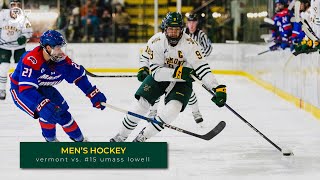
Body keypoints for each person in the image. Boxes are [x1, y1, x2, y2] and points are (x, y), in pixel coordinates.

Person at [110, 12, 227, 142]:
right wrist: (176, 72)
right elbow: (156, 72)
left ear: (181, 30)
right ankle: (120, 137)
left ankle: (143, 137)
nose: (173, 33)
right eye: (170, 29)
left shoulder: (191, 44)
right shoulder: (157, 41)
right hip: (162, 78)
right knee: (140, 105)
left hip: (182, 82)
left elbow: (203, 68)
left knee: (173, 110)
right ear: (164, 29)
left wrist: (216, 87)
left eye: (176, 29)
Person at [9, 30, 107, 142]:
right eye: (58, 48)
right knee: (48, 113)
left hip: (43, 87)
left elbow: (79, 77)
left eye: (61, 47)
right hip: (21, 90)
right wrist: (42, 104)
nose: (61, 51)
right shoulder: (32, 59)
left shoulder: (62, 61)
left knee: (63, 114)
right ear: (48, 48)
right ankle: (51, 141)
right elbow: (26, 89)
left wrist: (92, 93)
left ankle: (81, 141)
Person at [0, 0, 33, 100]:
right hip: (4, 46)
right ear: (10, 6)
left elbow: (28, 32)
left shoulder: (24, 17)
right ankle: (2, 90)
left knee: (22, 69)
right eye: (13, 4)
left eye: (18, 5)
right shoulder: (2, 14)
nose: (15, 7)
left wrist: (23, 37)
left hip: (19, 47)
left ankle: (21, 90)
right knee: (4, 67)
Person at [184, 13, 213, 124]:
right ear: (187, 23)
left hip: (196, 65)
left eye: (193, 22)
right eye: (189, 22)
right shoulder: (182, 33)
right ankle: (196, 113)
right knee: (188, 89)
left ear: (196, 23)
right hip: (185, 66)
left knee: (207, 80)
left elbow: (209, 48)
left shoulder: (200, 34)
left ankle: (215, 91)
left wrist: (198, 59)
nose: (191, 25)